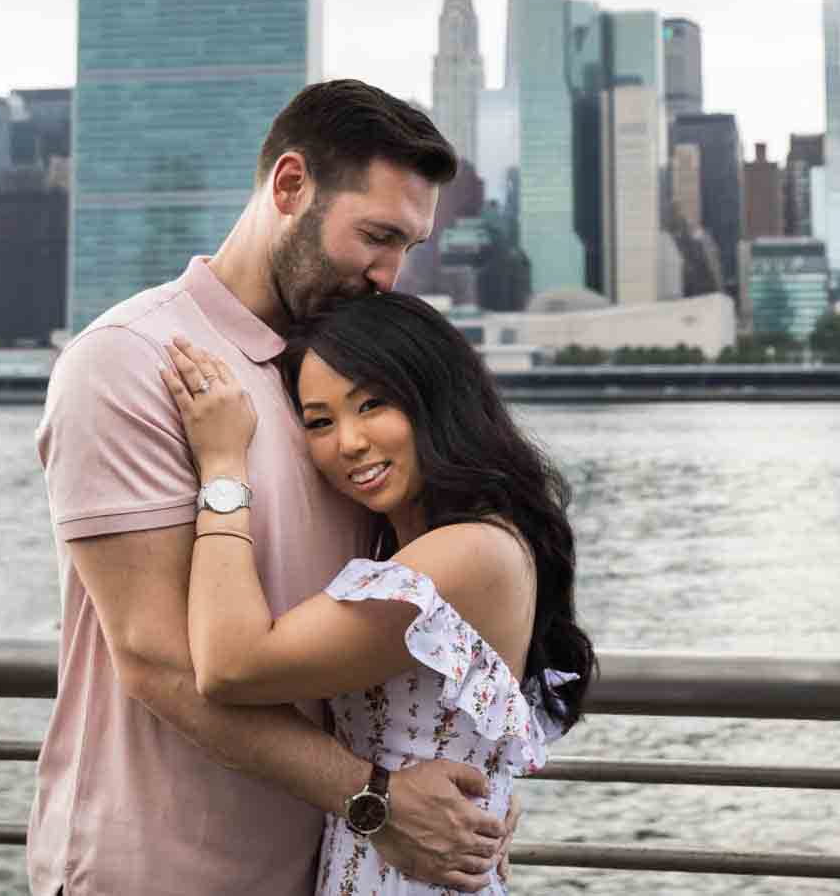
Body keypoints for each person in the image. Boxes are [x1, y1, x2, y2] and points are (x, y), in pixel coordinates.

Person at [28, 80, 513, 895]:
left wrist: (471, 800)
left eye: (408, 249)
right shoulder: (129, 361)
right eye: (377, 236)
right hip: (157, 872)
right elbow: (157, 663)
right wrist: (379, 801)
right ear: (291, 187)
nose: (390, 274)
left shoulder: (347, 381)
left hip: (329, 868)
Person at [159, 291, 595, 895]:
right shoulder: (426, 547)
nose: (350, 442)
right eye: (319, 421)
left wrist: (224, 466)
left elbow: (230, 666)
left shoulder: (467, 551)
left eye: (373, 404)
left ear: (434, 397)